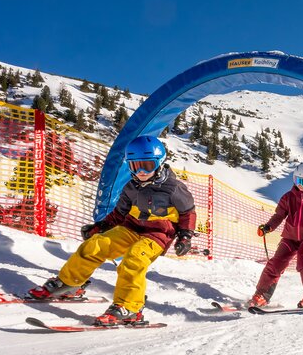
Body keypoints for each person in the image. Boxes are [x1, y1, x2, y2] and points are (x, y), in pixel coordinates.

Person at [27, 136, 196, 326]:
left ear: (159, 164)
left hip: (157, 235)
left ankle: (130, 308)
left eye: (147, 166)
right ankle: (70, 283)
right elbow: (120, 213)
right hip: (131, 228)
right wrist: (101, 227)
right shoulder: (131, 187)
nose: (140, 172)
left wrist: (185, 235)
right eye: (134, 166)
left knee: (134, 259)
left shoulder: (173, 188)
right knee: (95, 244)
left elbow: (187, 212)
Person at [250, 162, 303, 309]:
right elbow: (279, 215)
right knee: (276, 262)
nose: (300, 185)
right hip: (290, 237)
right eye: (297, 180)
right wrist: (268, 227)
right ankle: (262, 295)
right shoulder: (289, 197)